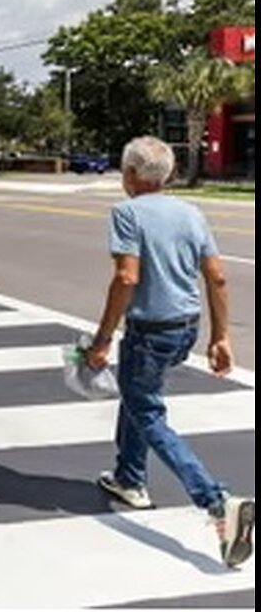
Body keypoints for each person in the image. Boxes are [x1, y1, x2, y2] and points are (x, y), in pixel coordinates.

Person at [87, 136, 253, 568]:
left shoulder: (126, 213)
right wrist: (221, 338)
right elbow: (216, 277)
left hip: (149, 331)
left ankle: (216, 501)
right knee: (137, 396)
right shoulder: (191, 212)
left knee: (147, 413)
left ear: (129, 175)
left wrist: (102, 339)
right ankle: (129, 478)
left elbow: (126, 278)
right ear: (170, 175)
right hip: (186, 330)